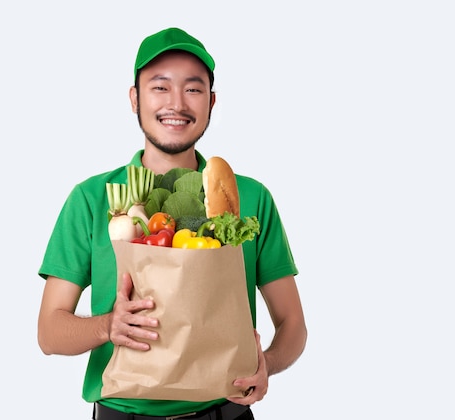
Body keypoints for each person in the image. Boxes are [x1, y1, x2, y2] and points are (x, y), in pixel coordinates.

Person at [37, 27, 307, 420]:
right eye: (160, 88)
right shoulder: (92, 198)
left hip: (225, 413)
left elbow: (293, 323)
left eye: (193, 89)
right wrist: (107, 327)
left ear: (212, 102)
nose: (176, 104)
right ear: (135, 99)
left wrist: (267, 363)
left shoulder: (250, 197)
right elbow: (49, 332)